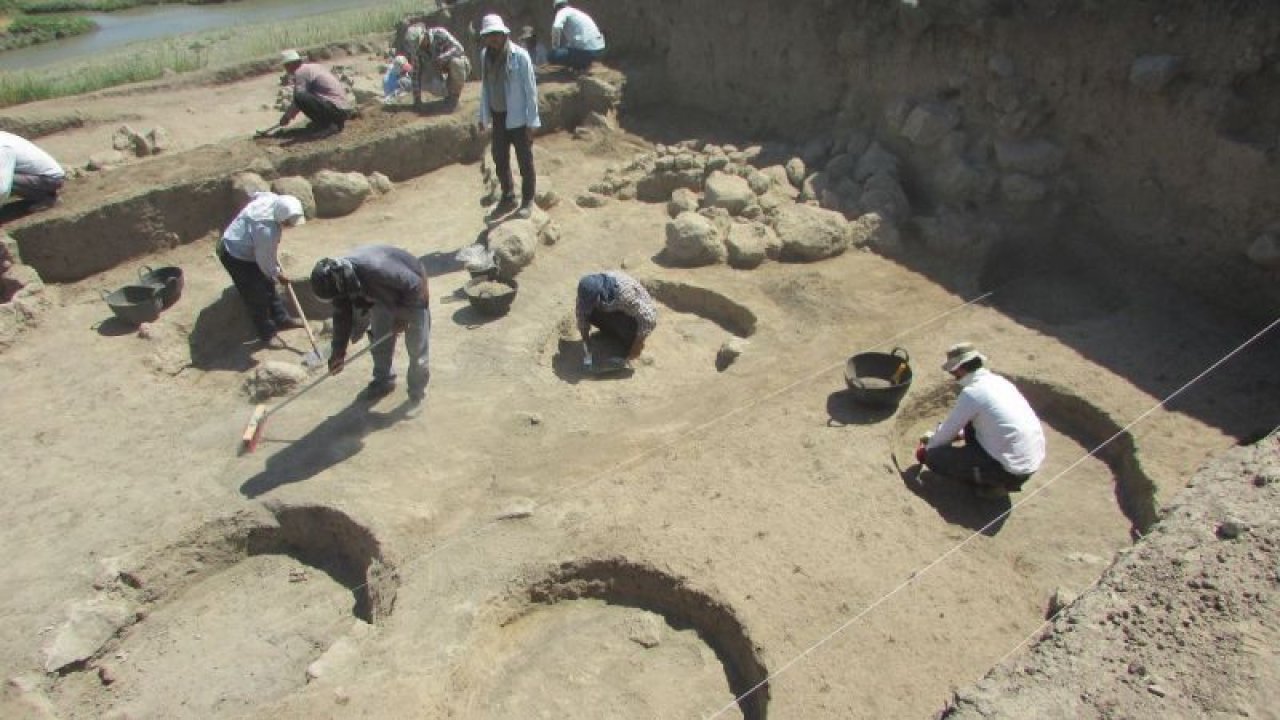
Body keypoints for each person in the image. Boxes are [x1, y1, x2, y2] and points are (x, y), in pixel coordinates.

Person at [916, 342, 1046, 498]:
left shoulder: (973, 393)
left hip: (1009, 471)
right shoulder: (1000, 382)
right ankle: (993, 477)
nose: (953, 376)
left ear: (959, 368)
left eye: (953, 372)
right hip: (1029, 461)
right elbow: (994, 423)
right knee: (971, 423)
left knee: (935, 457)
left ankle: (994, 485)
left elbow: (946, 433)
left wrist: (928, 450)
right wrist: (958, 435)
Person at [310, 246, 431, 410]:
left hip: (412, 292)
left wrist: (402, 317)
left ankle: (417, 394)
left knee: (417, 351)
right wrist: (338, 352)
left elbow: (415, 286)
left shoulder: (376, 268)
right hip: (382, 295)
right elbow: (342, 315)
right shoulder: (338, 281)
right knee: (379, 341)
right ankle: (384, 381)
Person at [218, 192, 307, 345]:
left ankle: (282, 319)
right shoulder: (266, 230)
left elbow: (257, 194)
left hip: (250, 247)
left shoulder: (271, 199)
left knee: (268, 285)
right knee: (256, 295)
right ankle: (267, 334)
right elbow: (265, 262)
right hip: (234, 254)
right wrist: (278, 274)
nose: (287, 225)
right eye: (287, 222)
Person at [478, 13, 541, 220]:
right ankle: (508, 194)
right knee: (499, 157)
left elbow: (531, 91)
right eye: (489, 35)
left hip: (518, 117)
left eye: (496, 34)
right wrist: (483, 116)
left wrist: (532, 122)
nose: (493, 38)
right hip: (498, 116)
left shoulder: (520, 56)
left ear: (504, 34)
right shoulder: (485, 56)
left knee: (525, 160)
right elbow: (485, 88)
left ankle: (528, 199)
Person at [575, 271, 658, 365]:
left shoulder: (626, 294)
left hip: (630, 314)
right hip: (613, 307)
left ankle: (625, 339)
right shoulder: (586, 291)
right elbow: (582, 315)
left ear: (600, 295)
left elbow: (649, 319)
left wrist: (637, 346)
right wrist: (586, 343)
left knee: (631, 339)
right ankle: (611, 332)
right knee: (590, 313)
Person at [277, 49, 354, 137]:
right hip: (344, 109)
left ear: (290, 65)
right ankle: (325, 123)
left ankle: (329, 125)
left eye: (285, 66)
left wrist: (287, 116)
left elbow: (298, 99)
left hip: (336, 110)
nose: (286, 69)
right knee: (304, 97)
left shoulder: (301, 72)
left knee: (300, 97)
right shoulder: (313, 67)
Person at [404, 23, 470, 110]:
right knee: (424, 78)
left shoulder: (440, 33)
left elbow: (459, 49)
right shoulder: (417, 51)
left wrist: (442, 58)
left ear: (425, 34)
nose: (420, 46)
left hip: (455, 66)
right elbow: (416, 74)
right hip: (437, 73)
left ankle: (454, 98)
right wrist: (417, 100)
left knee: (457, 62)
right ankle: (447, 95)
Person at [0, 131, 66, 211]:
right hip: (39, 176)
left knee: (6, 181)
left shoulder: (3, 148)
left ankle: (47, 199)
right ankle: (43, 195)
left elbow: (3, 188)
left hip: (50, 178)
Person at [549, 0, 606, 71]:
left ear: (556, 8)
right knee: (567, 48)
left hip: (587, 52)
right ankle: (581, 65)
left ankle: (580, 65)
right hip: (599, 50)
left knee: (551, 55)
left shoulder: (562, 11)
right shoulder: (577, 12)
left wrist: (555, 47)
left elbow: (556, 27)